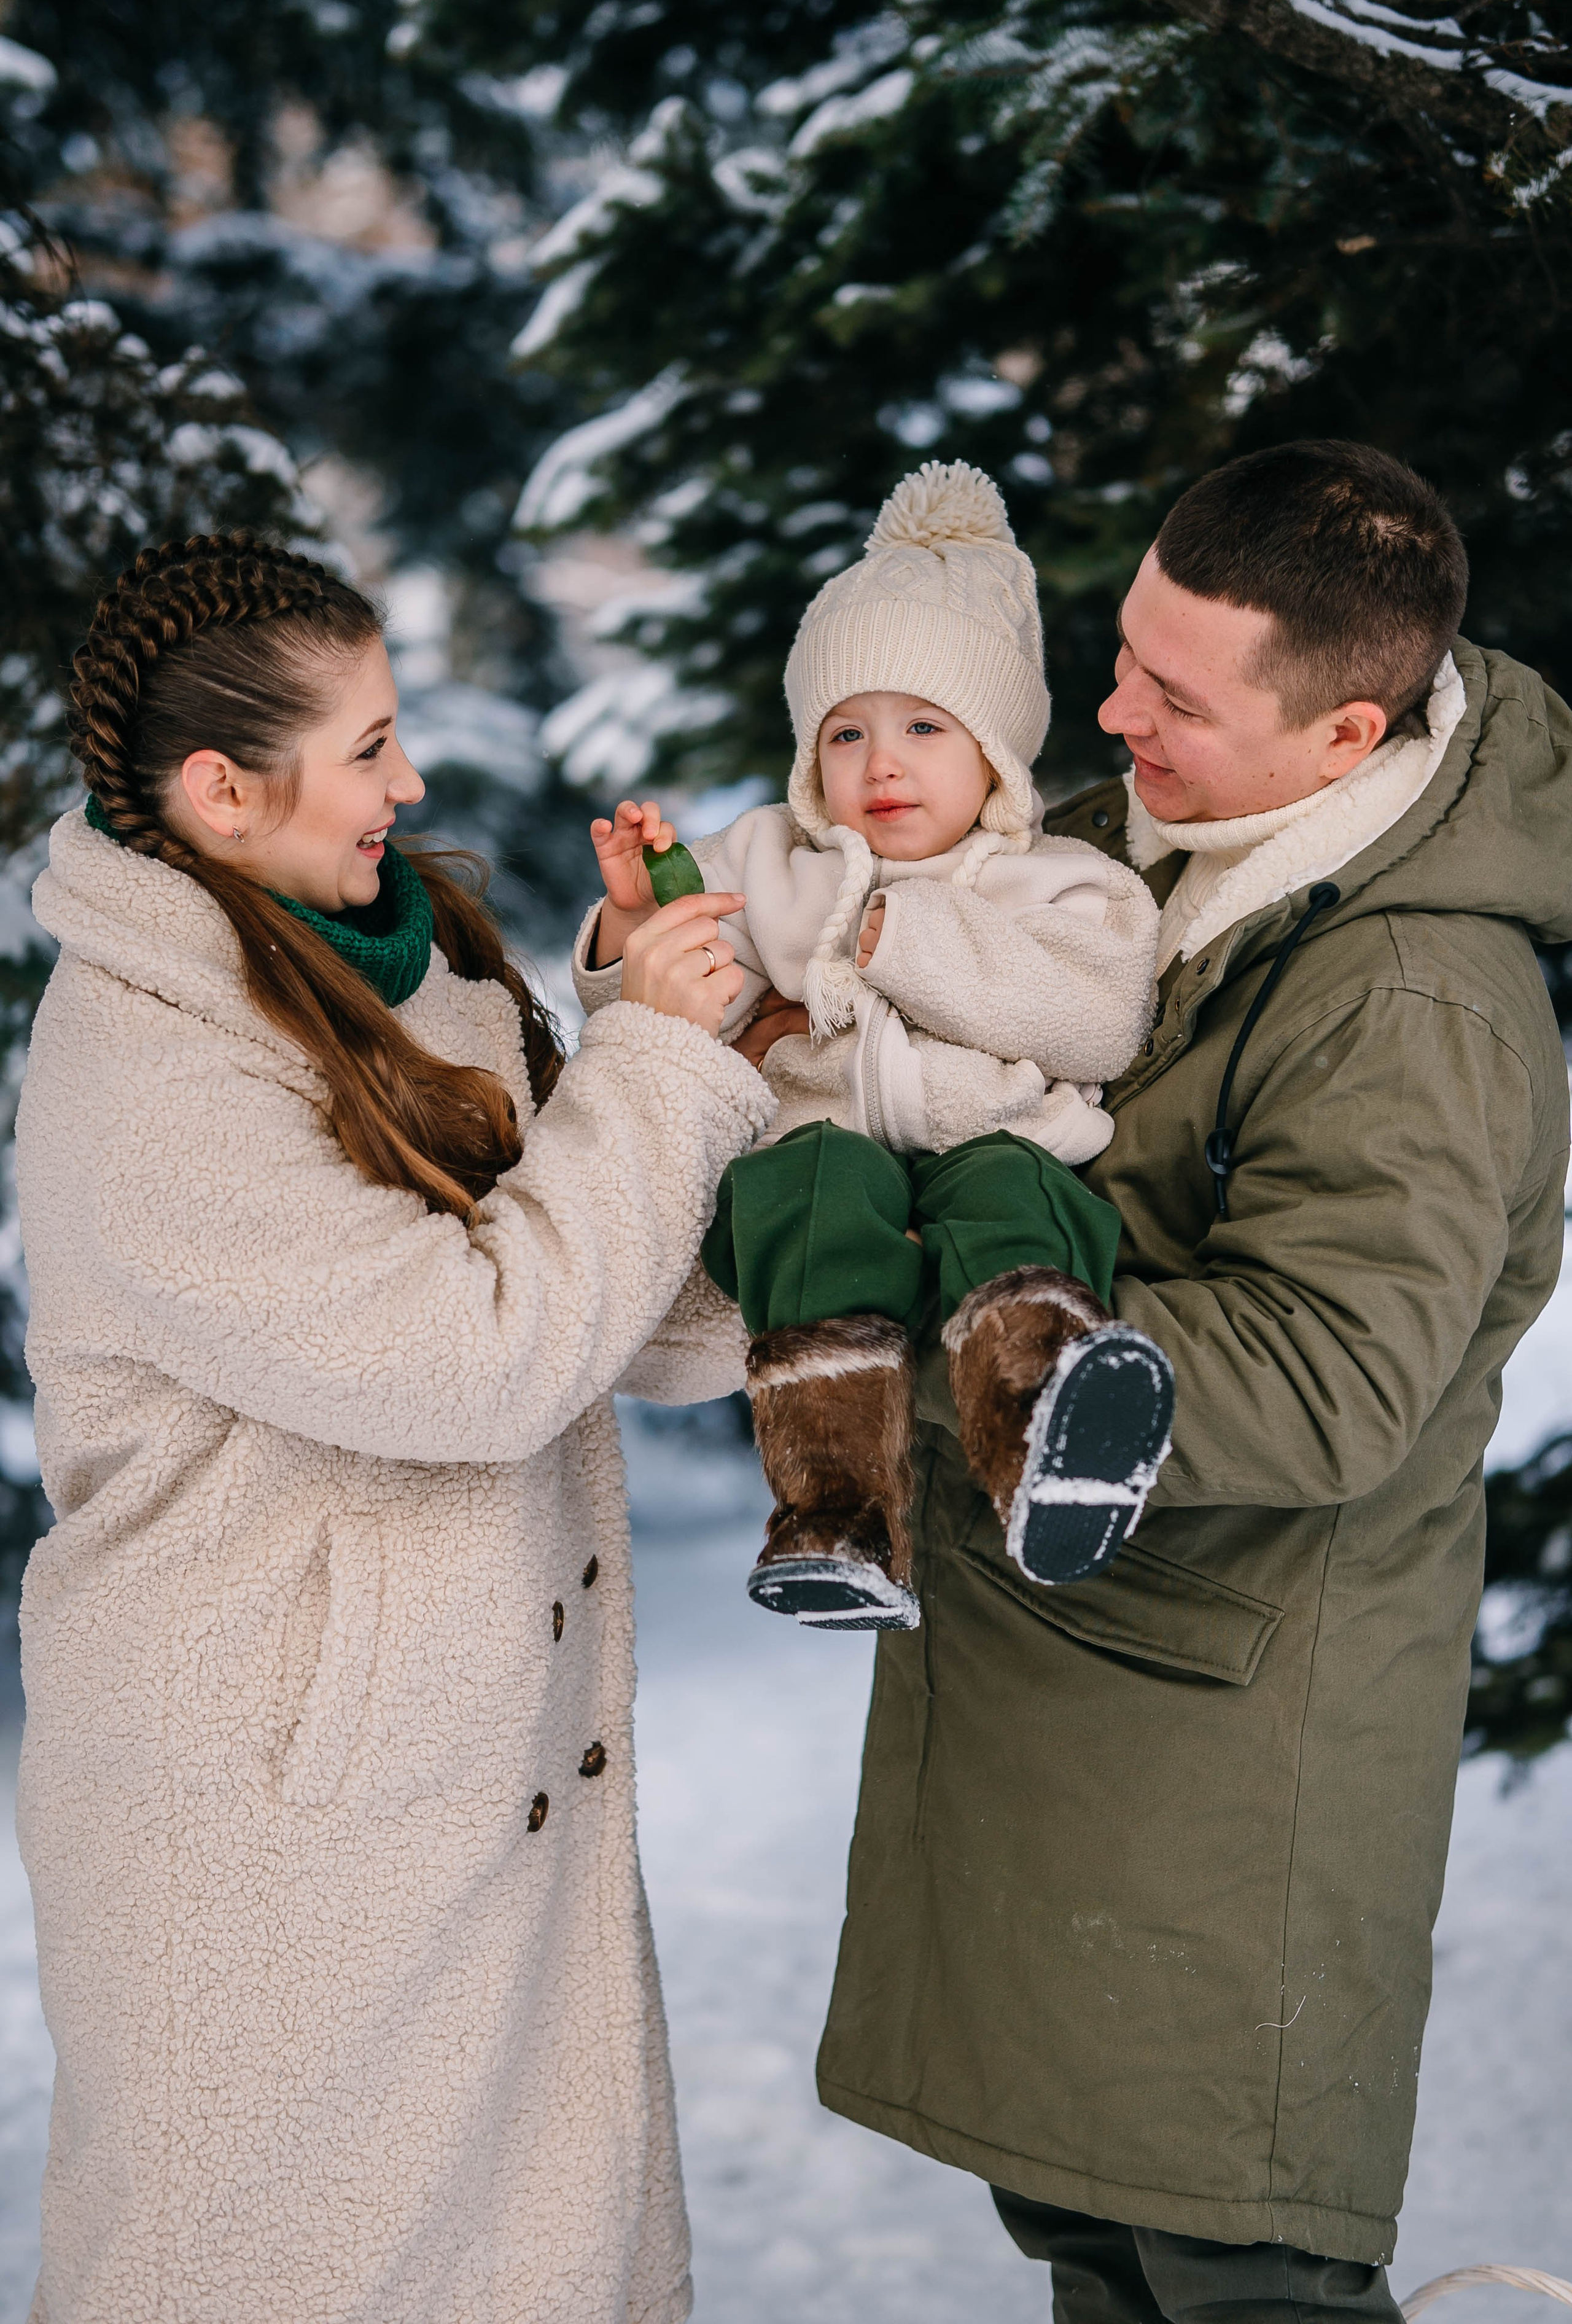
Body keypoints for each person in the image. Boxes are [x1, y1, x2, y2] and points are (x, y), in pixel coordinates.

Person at [813, 442, 1572, 2318]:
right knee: (1099, 2245)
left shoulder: (1410, 998)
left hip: (1231, 1756)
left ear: (1346, 735)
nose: (1111, 713)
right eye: (1125, 657)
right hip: (1080, 1698)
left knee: (1237, 2266)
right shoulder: (1128, 841)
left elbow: (1327, 1379)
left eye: (1175, 694)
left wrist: (906, 1338)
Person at [14, 531, 774, 2324]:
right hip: (270, 1829)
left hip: (482, 1781)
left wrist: (714, 1059)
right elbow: (478, 1361)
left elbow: (635, 1320)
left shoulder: (417, 964)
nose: (409, 782)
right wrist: (657, 1070)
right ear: (222, 790)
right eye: (366, 747)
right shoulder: (148, 1069)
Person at [575, 461, 1170, 1634]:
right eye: (845, 733)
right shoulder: (769, 861)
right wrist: (636, 924)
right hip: (822, 1142)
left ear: (996, 751)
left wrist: (905, 939)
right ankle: (836, 1510)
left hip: (990, 1136)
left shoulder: (1063, 882)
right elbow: (680, 1008)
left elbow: (1098, 1017)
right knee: (803, 1191)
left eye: (923, 728)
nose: (880, 763)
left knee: (1015, 1198)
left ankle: (1051, 1430)